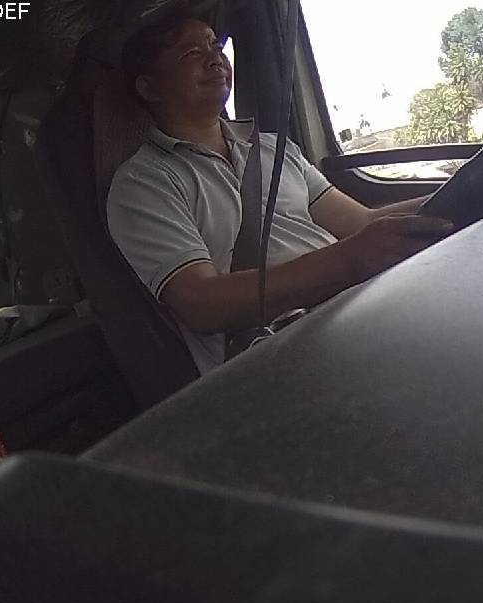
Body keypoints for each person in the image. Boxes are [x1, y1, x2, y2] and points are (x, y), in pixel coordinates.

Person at [106, 14, 453, 374]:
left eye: (214, 45)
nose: (214, 59)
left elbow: (360, 222)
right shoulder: (143, 183)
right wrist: (349, 261)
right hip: (276, 349)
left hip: (356, 303)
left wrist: (463, 188)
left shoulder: (274, 147)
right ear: (150, 88)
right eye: (191, 53)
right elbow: (200, 303)